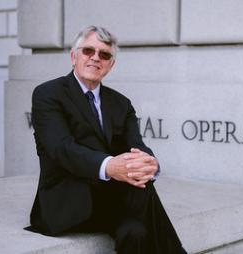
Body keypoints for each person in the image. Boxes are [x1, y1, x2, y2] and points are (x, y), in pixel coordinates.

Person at [26, 25, 187, 254]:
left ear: (111, 65)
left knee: (135, 232)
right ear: (74, 56)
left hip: (111, 201)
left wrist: (150, 164)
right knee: (142, 189)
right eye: (88, 51)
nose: (95, 58)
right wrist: (110, 166)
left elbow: (137, 146)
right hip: (69, 202)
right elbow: (61, 149)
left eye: (104, 54)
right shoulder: (48, 94)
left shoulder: (121, 103)